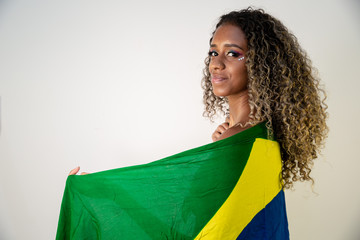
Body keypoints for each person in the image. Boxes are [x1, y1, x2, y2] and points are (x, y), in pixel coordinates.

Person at [60, 7, 327, 239]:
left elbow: (181, 228)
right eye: (213, 52)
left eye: (233, 54)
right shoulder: (263, 136)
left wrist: (99, 193)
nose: (217, 64)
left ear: (260, 63)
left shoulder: (236, 143)